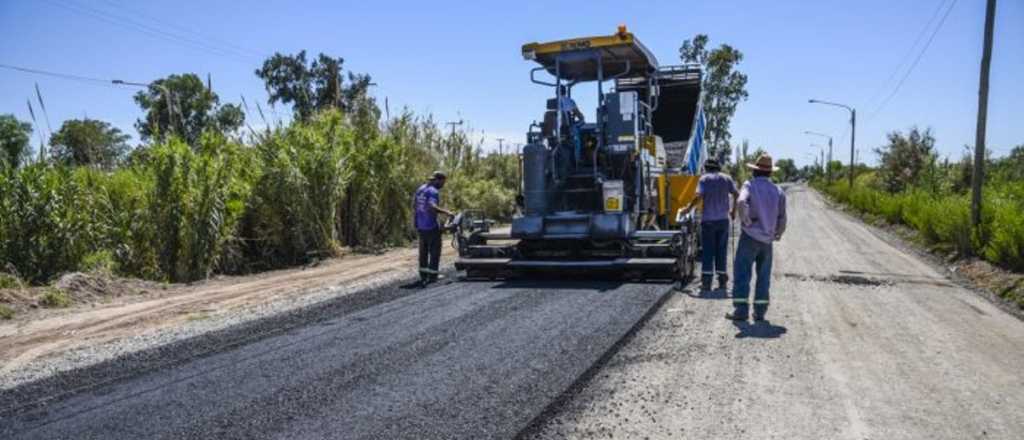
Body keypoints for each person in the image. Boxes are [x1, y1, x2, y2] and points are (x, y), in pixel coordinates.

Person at [728, 154, 787, 322]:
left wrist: (746, 221)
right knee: (763, 276)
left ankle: (741, 311)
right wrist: (778, 233)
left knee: (742, 273)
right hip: (767, 241)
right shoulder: (778, 190)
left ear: (755, 171)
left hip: (749, 238)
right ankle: (760, 313)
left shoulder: (750, 185)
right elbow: (783, 217)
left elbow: (740, 202)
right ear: (770, 173)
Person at [685, 158, 739, 292]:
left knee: (708, 252)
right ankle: (722, 282)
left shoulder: (704, 179)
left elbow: (698, 196)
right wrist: (733, 211)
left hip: (708, 222)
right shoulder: (727, 178)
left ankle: (706, 283)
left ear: (706, 168)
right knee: (722, 250)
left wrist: (688, 209)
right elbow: (736, 194)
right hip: (723, 221)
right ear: (718, 167)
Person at [413, 171, 453, 286]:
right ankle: (433, 276)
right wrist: (447, 212)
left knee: (423, 252)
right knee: (435, 252)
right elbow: (431, 207)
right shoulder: (433, 191)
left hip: (421, 226)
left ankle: (423, 275)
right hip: (431, 226)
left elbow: (415, 206)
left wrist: (415, 222)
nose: (443, 185)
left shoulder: (421, 189)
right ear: (437, 180)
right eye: (443, 182)